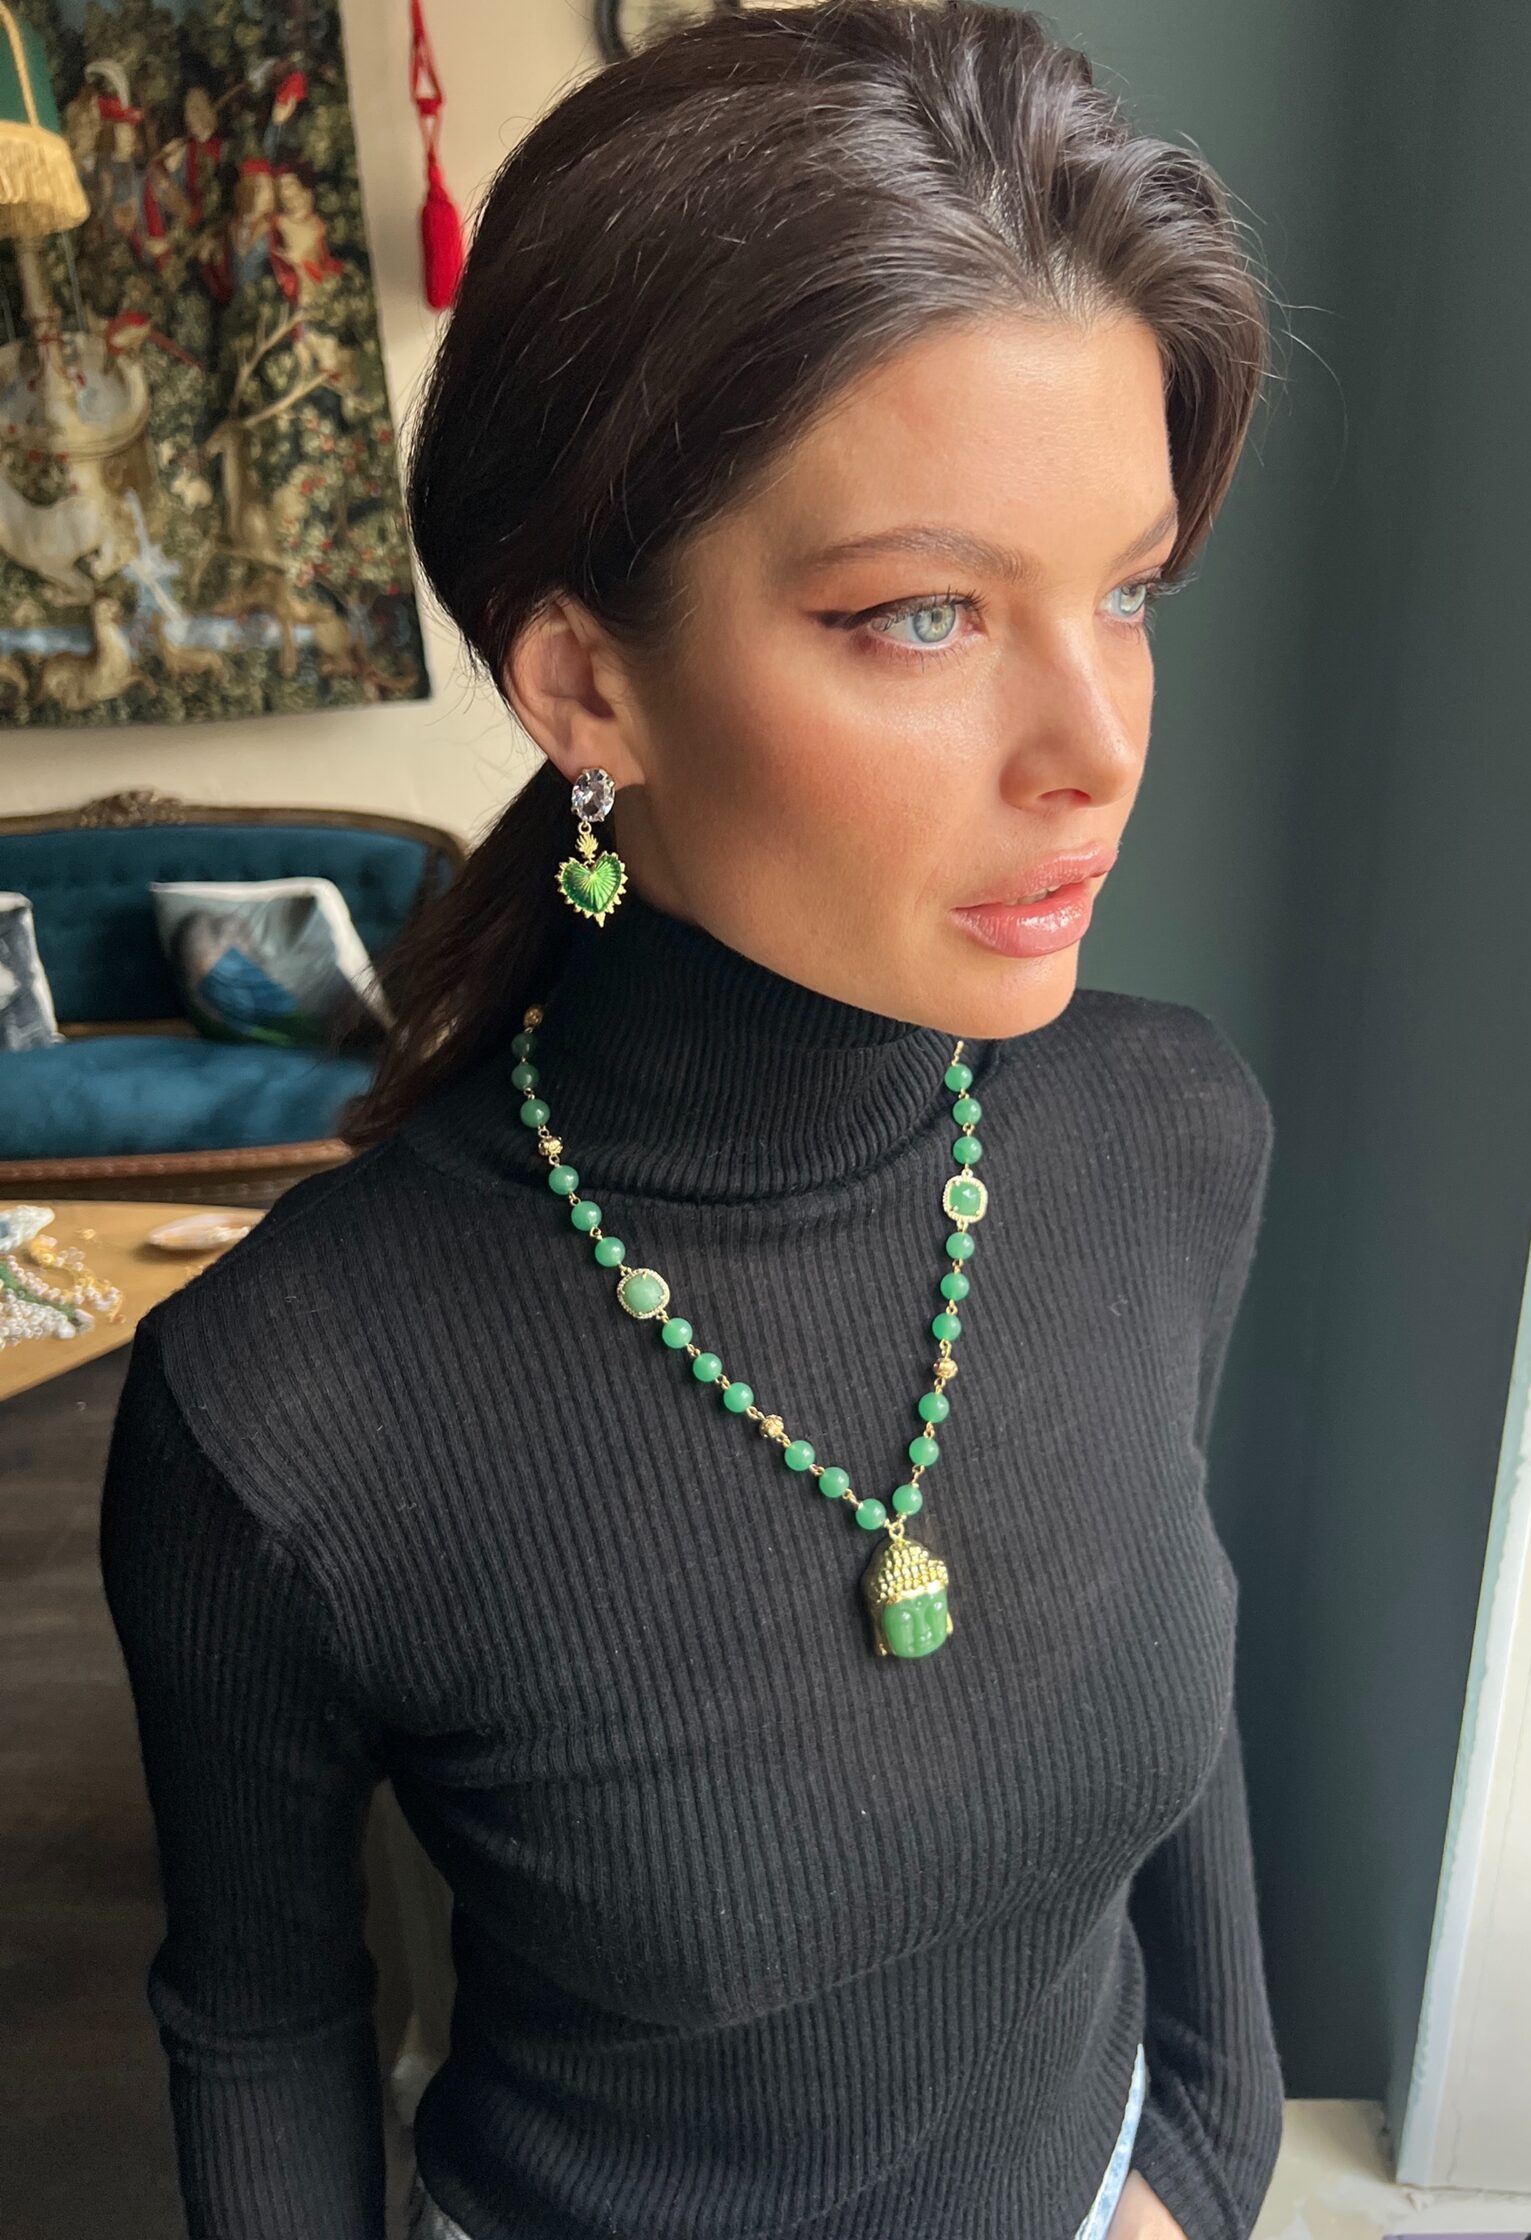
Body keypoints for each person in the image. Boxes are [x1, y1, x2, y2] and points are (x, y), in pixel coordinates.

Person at [98, 5, 1285, 2236]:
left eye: (1125, 590)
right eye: (924, 613)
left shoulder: (1165, 1138)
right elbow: (260, 2018)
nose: (1097, 746)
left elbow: (1173, 1718)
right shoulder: (287, 1411)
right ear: (585, 681)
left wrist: (1205, 2162)